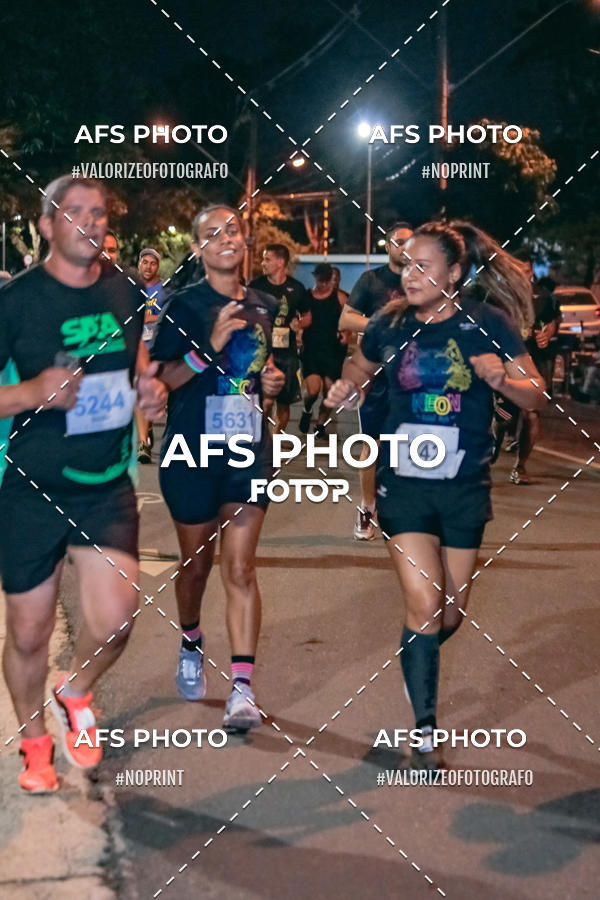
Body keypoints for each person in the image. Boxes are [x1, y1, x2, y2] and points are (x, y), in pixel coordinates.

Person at [326, 221, 544, 769]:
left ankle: (415, 657)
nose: (412, 274)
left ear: (454, 273)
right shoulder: (389, 323)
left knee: (449, 614)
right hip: (404, 486)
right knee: (424, 605)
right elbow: (359, 365)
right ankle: (425, 728)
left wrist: (502, 383)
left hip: (465, 486)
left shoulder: (488, 324)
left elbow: (536, 395)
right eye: (407, 265)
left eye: (425, 265)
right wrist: (345, 385)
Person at [0, 175, 166, 793]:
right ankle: (34, 742)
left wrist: (149, 388)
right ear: (46, 225)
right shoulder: (16, 302)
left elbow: (135, 365)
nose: (90, 223)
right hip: (30, 486)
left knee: (117, 618)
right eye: (74, 213)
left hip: (103, 482)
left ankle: (76, 691)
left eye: (98, 213)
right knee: (28, 631)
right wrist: (29, 392)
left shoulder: (125, 290)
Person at [149, 205, 284, 732]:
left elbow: (261, 374)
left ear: (243, 239)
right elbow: (164, 381)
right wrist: (211, 349)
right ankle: (190, 640)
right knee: (196, 566)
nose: (225, 238)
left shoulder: (266, 304)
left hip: (246, 447)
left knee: (241, 568)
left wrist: (271, 384)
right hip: (190, 451)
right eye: (212, 234)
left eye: (232, 229)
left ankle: (243, 690)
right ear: (199, 249)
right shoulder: (183, 306)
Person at [339, 222, 413, 540]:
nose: (406, 248)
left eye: (412, 243)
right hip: (375, 377)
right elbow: (346, 318)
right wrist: (382, 323)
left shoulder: (424, 279)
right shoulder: (372, 280)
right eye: (399, 242)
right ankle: (368, 508)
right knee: (370, 445)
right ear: (388, 246)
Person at [249, 244, 308, 432]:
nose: (262, 263)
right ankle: (262, 436)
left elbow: (307, 316)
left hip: (287, 354)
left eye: (267, 259)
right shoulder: (256, 286)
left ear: (280, 262)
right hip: (261, 353)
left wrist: (299, 323)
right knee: (265, 402)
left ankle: (273, 441)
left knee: (283, 405)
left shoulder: (296, 288)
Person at [509, 273, 561, 485]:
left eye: (527, 270)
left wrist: (547, 334)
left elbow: (552, 321)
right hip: (506, 361)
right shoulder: (500, 294)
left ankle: (520, 466)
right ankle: (495, 442)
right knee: (505, 418)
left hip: (533, 363)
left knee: (531, 414)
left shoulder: (544, 297)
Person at [299, 262, 347, 439]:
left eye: (327, 280)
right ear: (316, 278)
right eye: (321, 280)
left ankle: (320, 425)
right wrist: (298, 331)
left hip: (333, 351)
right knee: (312, 390)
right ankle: (307, 409)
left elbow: (349, 319)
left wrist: (344, 333)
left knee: (329, 392)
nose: (324, 284)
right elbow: (299, 318)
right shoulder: (306, 297)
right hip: (311, 349)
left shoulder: (340, 298)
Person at [136, 248, 164, 463]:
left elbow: (169, 317)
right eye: (144, 262)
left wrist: (149, 319)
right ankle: (143, 444)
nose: (148, 267)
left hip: (157, 349)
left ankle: (149, 427)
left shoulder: (164, 290)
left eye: (152, 263)